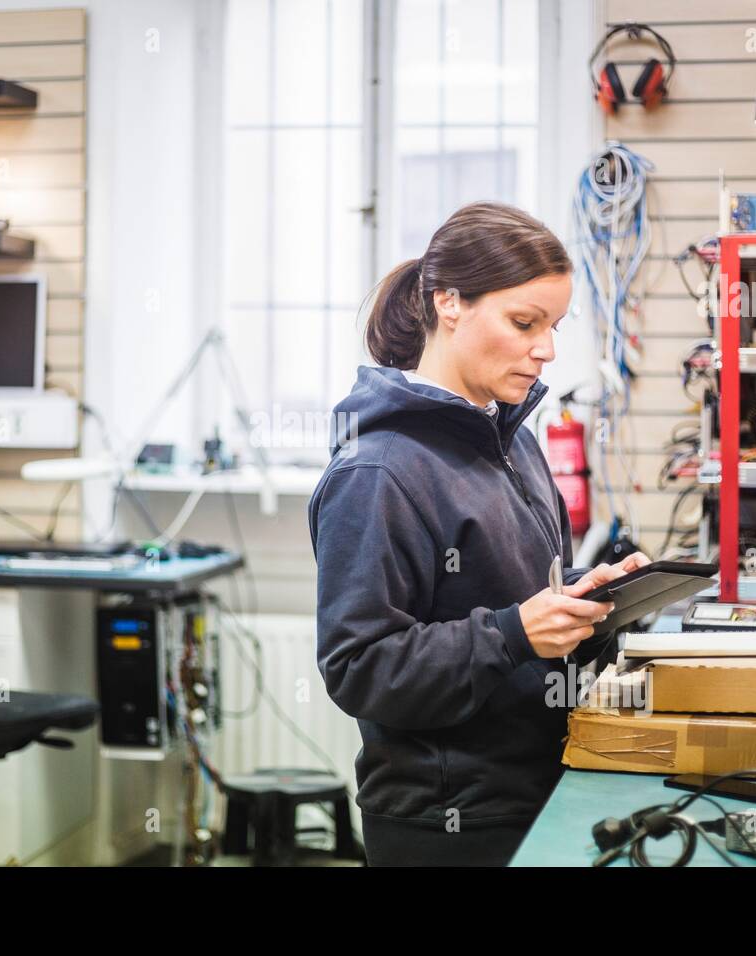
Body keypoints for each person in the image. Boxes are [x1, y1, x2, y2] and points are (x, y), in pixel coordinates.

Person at [308, 201, 648, 866]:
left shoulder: (511, 442)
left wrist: (589, 595)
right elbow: (362, 669)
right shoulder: (376, 471)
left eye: (552, 325)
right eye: (525, 323)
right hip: (447, 821)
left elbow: (502, 597)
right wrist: (515, 632)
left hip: (533, 785)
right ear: (449, 304)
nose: (546, 349)